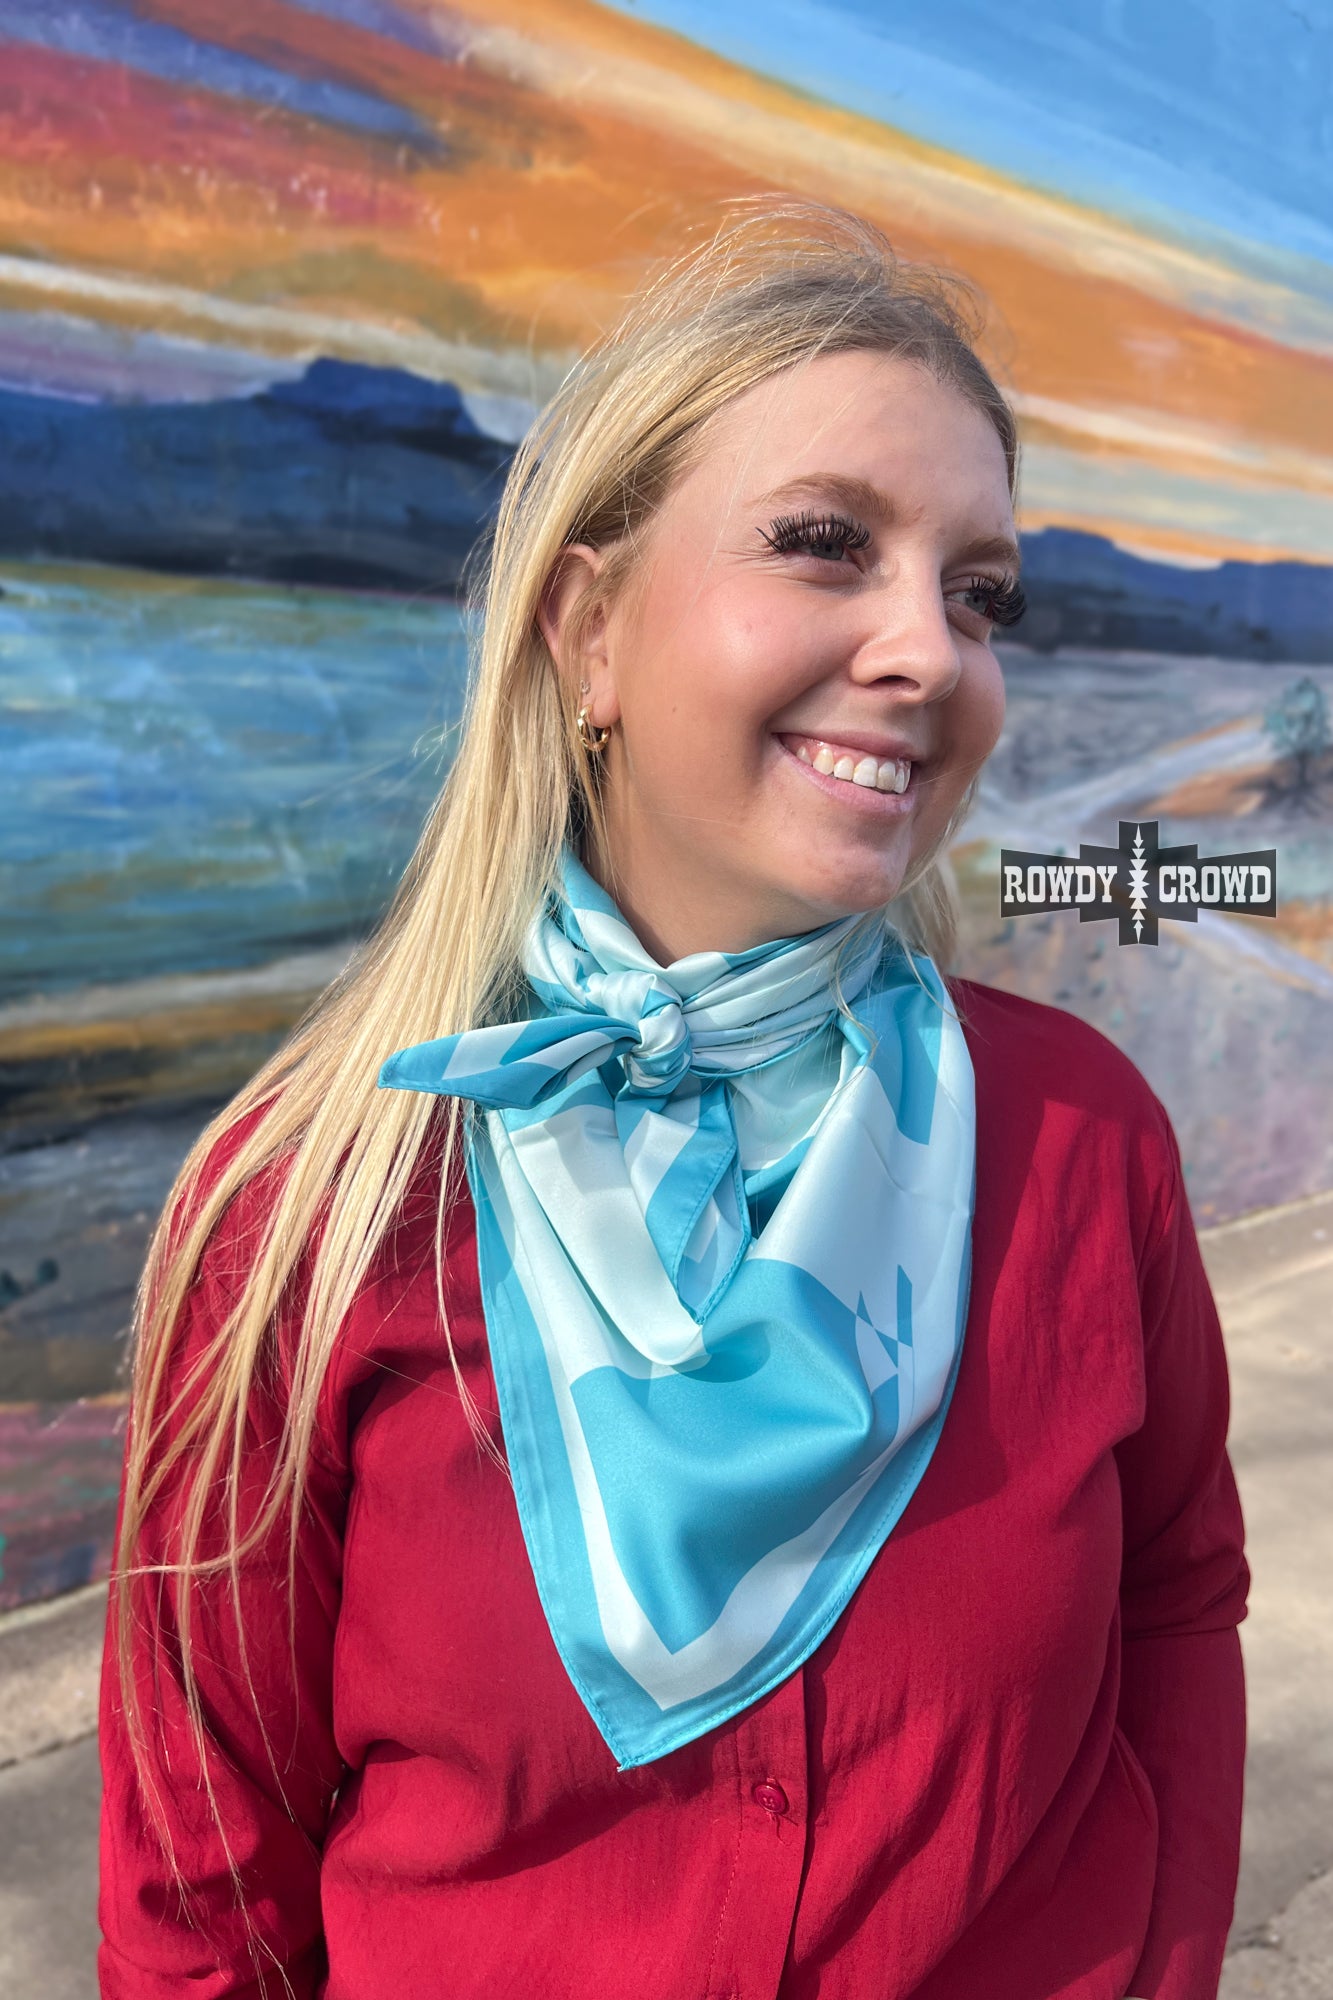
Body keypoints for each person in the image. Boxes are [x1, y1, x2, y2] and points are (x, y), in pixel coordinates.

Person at [98, 199, 1248, 2000]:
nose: (928, 651)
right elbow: (199, 1873)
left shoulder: (1081, 1139)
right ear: (589, 634)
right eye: (823, 545)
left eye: (978, 594)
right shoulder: (311, 1201)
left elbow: (1174, 1605)